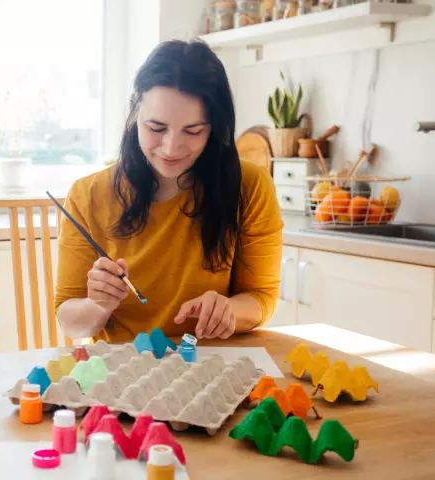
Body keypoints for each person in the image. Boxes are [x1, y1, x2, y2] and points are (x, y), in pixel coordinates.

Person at [54, 39, 283, 344]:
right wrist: (99, 304)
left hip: (210, 364)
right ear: (135, 114)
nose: (171, 148)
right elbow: (71, 324)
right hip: (123, 373)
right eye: (156, 128)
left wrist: (228, 309)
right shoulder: (88, 194)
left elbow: (262, 297)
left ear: (215, 127)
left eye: (193, 131)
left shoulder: (250, 186)